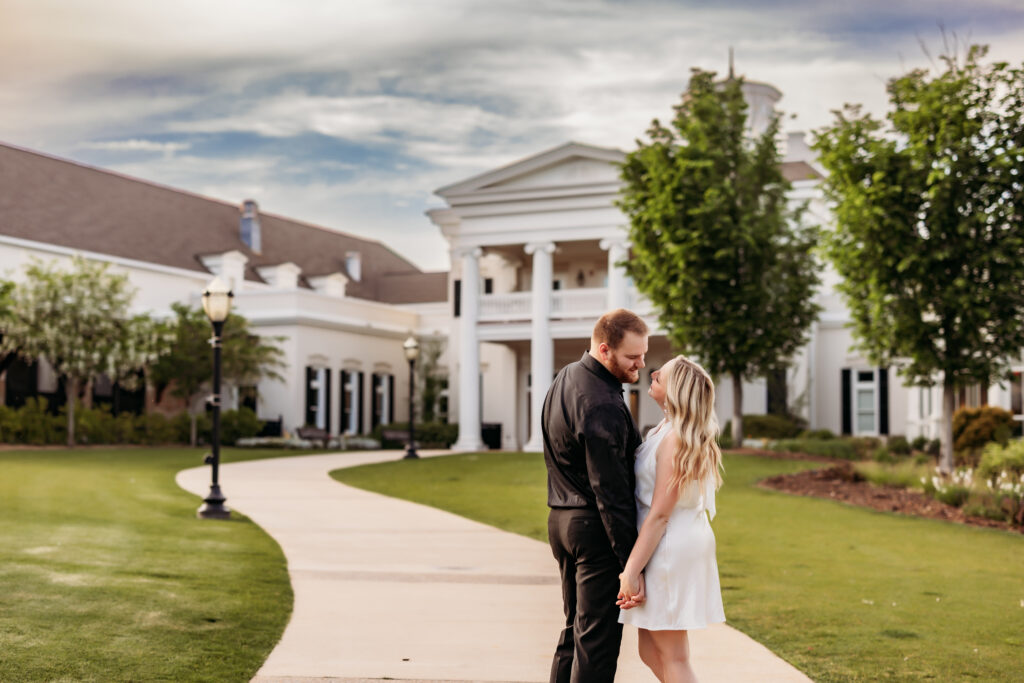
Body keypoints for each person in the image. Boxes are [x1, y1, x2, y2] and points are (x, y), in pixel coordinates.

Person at [543, 308, 649, 683]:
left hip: (561, 520)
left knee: (575, 633)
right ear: (605, 350)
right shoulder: (601, 401)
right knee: (597, 647)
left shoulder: (566, 376)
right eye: (632, 357)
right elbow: (612, 490)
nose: (641, 364)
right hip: (594, 531)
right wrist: (630, 565)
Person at [616, 355, 726, 683]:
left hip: (669, 545)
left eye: (659, 376)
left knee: (674, 655)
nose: (652, 375)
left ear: (675, 390)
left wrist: (630, 572)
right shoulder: (664, 429)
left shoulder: (677, 438)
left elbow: (661, 513)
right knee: (649, 651)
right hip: (663, 541)